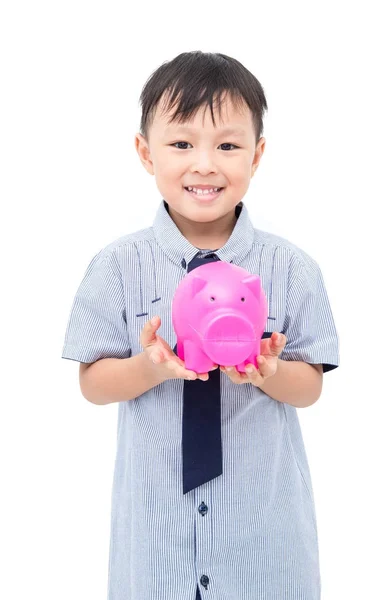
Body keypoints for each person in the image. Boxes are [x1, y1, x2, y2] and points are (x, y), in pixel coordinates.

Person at [61, 51, 340, 600]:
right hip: (156, 541)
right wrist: (150, 367)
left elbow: (310, 387)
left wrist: (267, 370)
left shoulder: (293, 269)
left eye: (228, 146)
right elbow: (93, 383)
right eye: (182, 143)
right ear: (145, 152)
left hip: (263, 543)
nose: (205, 164)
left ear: (257, 155)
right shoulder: (116, 266)